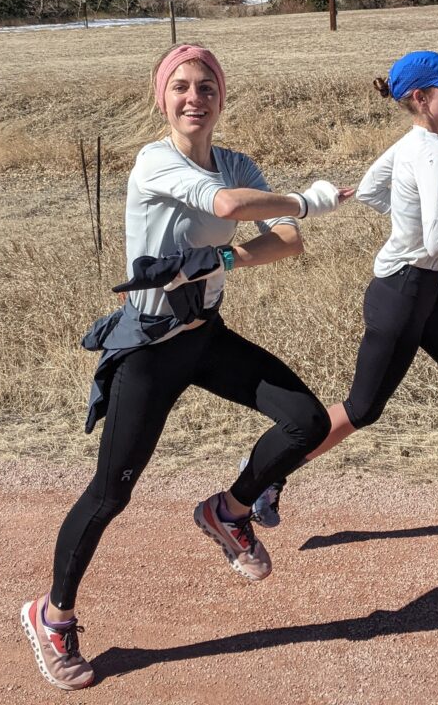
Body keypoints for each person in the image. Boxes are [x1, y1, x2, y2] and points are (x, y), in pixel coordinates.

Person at [21, 43, 353, 691]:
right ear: (161, 97)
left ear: (221, 98)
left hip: (205, 336)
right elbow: (232, 209)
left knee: (306, 421)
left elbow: (286, 239)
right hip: (148, 348)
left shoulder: (233, 162)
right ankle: (52, 615)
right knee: (111, 493)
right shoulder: (155, 162)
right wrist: (306, 199)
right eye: (181, 86)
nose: (194, 98)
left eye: (206, 87)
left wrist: (222, 263)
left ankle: (228, 512)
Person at [248, 51, 438, 548]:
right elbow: (437, 241)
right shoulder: (433, 153)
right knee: (362, 409)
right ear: (420, 98)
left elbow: (370, 191)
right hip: (405, 294)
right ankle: (265, 471)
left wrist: (408, 219)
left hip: (418, 290)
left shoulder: (413, 142)